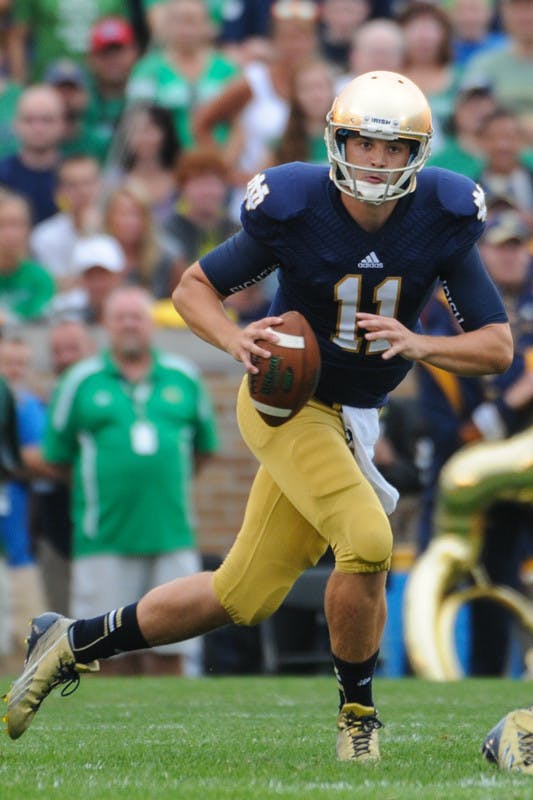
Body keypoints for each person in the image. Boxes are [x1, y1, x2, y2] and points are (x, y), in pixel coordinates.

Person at [3, 71, 513, 761]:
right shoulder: (296, 205)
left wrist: (422, 343)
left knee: (241, 595)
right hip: (288, 404)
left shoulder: (444, 215)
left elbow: (495, 345)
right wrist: (234, 339)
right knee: (365, 540)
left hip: (358, 413)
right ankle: (357, 718)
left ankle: (71, 640)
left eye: (394, 149)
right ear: (337, 141)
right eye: (363, 143)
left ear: (417, 155)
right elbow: (194, 288)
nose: (376, 161)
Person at [43, 286, 218, 676]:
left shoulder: (183, 377)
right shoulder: (80, 381)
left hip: (171, 534)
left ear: (151, 324)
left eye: (136, 317)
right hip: (103, 538)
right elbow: (57, 458)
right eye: (119, 318)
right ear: (105, 325)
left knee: (174, 645)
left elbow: (204, 449)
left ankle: (172, 730)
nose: (129, 325)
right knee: (103, 653)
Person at [126, 0, 240, 150]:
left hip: (216, 163)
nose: (185, 30)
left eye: (192, 22)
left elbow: (240, 126)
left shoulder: (228, 70)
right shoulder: (147, 70)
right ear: (166, 26)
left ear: (209, 26)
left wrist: (225, 164)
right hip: (166, 165)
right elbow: (137, 123)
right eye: (178, 22)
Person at [30, 155, 103, 291]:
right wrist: (87, 234)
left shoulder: (118, 225)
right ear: (59, 192)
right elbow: (56, 286)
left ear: (100, 184)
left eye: (88, 182)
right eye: (73, 185)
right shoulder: (44, 235)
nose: (83, 191)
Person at [0, 85, 65, 224]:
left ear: (62, 124)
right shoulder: (2, 175)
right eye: (29, 120)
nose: (38, 128)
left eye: (47, 120)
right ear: (15, 124)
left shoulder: (75, 177)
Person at [83, 17, 139, 163]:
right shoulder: (82, 101)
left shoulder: (146, 99)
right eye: (105, 53)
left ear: (134, 53)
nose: (113, 60)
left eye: (119, 51)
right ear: (91, 58)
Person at [0, 189, 56, 323]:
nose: (10, 234)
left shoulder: (41, 278)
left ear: (29, 228)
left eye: (16, 224)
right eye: (2, 225)